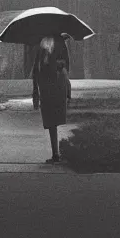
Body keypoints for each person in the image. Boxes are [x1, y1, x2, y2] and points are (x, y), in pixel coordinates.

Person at [32, 33, 72, 163]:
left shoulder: (56, 43)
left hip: (53, 83)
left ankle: (56, 153)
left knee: (52, 119)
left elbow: (64, 64)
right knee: (50, 120)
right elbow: (37, 67)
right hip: (47, 84)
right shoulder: (46, 44)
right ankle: (56, 153)